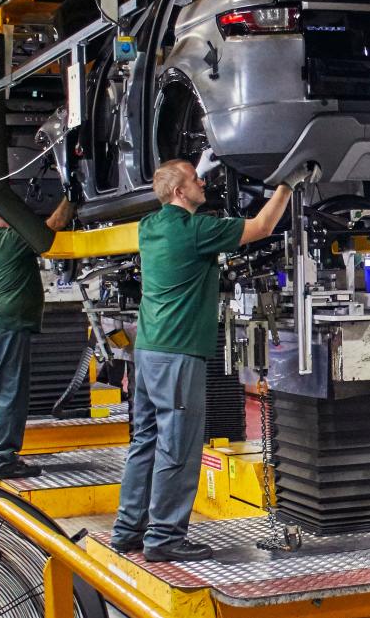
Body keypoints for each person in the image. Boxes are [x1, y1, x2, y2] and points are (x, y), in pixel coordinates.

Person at [111, 158, 307, 562]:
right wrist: (287, 184)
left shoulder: (150, 227)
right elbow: (263, 228)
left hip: (147, 351)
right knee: (177, 447)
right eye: (198, 178)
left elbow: (173, 195)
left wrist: (191, 168)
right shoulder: (196, 231)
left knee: (144, 440)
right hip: (178, 353)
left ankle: (127, 531)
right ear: (181, 192)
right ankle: (164, 539)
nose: (205, 182)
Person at [0, 198, 73, 478]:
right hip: (8, 326)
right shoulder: (12, 238)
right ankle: (4, 460)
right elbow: (54, 225)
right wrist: (70, 197)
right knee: (10, 395)